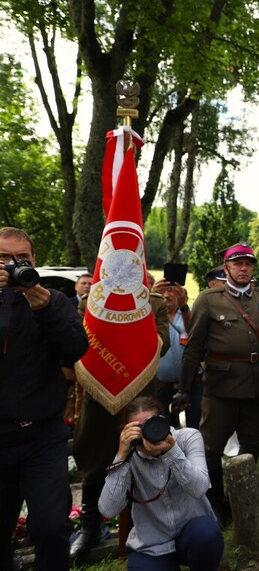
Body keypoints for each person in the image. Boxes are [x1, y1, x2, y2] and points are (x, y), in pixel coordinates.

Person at [172, 243, 259, 523]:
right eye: (237, 264)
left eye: (248, 263)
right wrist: (184, 389)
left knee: (251, 445)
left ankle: (243, 500)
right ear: (227, 268)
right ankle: (216, 503)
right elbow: (194, 348)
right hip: (220, 388)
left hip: (257, 387)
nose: (243, 268)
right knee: (211, 448)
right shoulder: (209, 299)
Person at [0, 227, 89, 571]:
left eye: (22, 259)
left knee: (52, 526)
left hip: (43, 436)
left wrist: (45, 307)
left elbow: (76, 348)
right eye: (4, 258)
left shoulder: (54, 300)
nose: (13, 266)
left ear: (34, 262)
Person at [70, 274, 170, 565]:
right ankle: (90, 528)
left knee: (146, 456)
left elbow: (161, 345)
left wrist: (131, 336)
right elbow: (79, 345)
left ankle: (145, 526)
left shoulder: (154, 303)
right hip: (99, 395)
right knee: (95, 459)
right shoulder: (91, 302)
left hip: (140, 394)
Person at [99, 396, 223, 570]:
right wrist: (121, 457)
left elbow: (200, 488)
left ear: (163, 421)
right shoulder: (129, 454)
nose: (147, 434)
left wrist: (171, 452)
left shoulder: (187, 438)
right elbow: (107, 510)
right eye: (139, 429)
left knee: (206, 534)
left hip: (193, 533)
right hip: (152, 545)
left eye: (152, 425)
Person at [152, 278, 202, 429]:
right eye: (163, 291)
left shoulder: (188, 313)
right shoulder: (152, 315)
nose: (167, 295)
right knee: (163, 428)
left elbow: (195, 332)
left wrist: (184, 307)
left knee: (195, 428)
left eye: (172, 291)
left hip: (192, 384)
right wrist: (151, 299)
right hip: (161, 386)